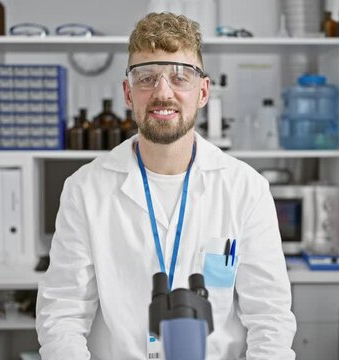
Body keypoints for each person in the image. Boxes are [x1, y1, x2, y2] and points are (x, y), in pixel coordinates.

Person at [36, 12, 296, 359]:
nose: (163, 92)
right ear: (128, 93)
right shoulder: (85, 189)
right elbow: (62, 314)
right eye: (146, 78)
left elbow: (270, 319)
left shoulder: (246, 188)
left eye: (180, 77)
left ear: (202, 91)